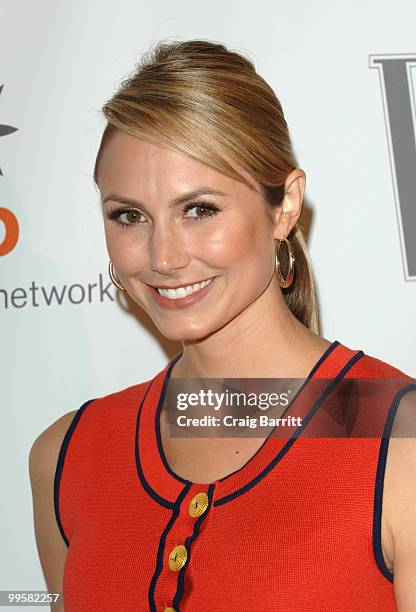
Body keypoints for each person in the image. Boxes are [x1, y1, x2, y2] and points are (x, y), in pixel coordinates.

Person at [29, 39, 416, 611]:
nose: (162, 256)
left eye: (199, 209)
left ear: (284, 205)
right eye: (129, 216)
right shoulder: (68, 456)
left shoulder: (397, 440)